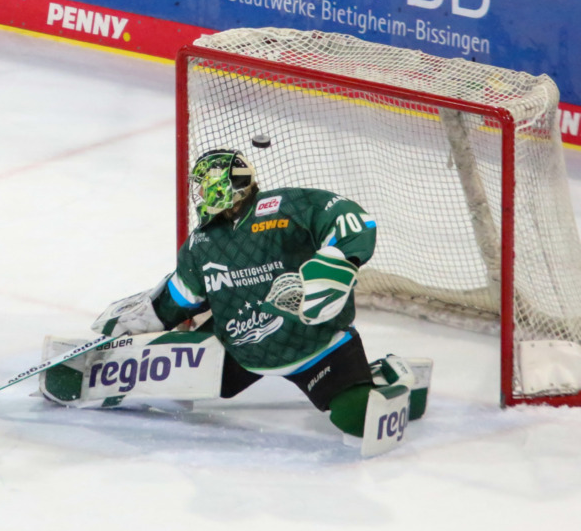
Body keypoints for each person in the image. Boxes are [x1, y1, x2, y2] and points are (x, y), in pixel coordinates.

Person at [59, 149, 429, 448]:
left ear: (225, 186)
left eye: (205, 188)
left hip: (318, 346)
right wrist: (141, 318)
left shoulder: (285, 207)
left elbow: (348, 218)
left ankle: (390, 376)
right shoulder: (201, 244)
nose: (200, 197)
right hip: (240, 351)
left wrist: (338, 261)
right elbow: (181, 295)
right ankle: (98, 371)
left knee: (357, 420)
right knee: (170, 383)